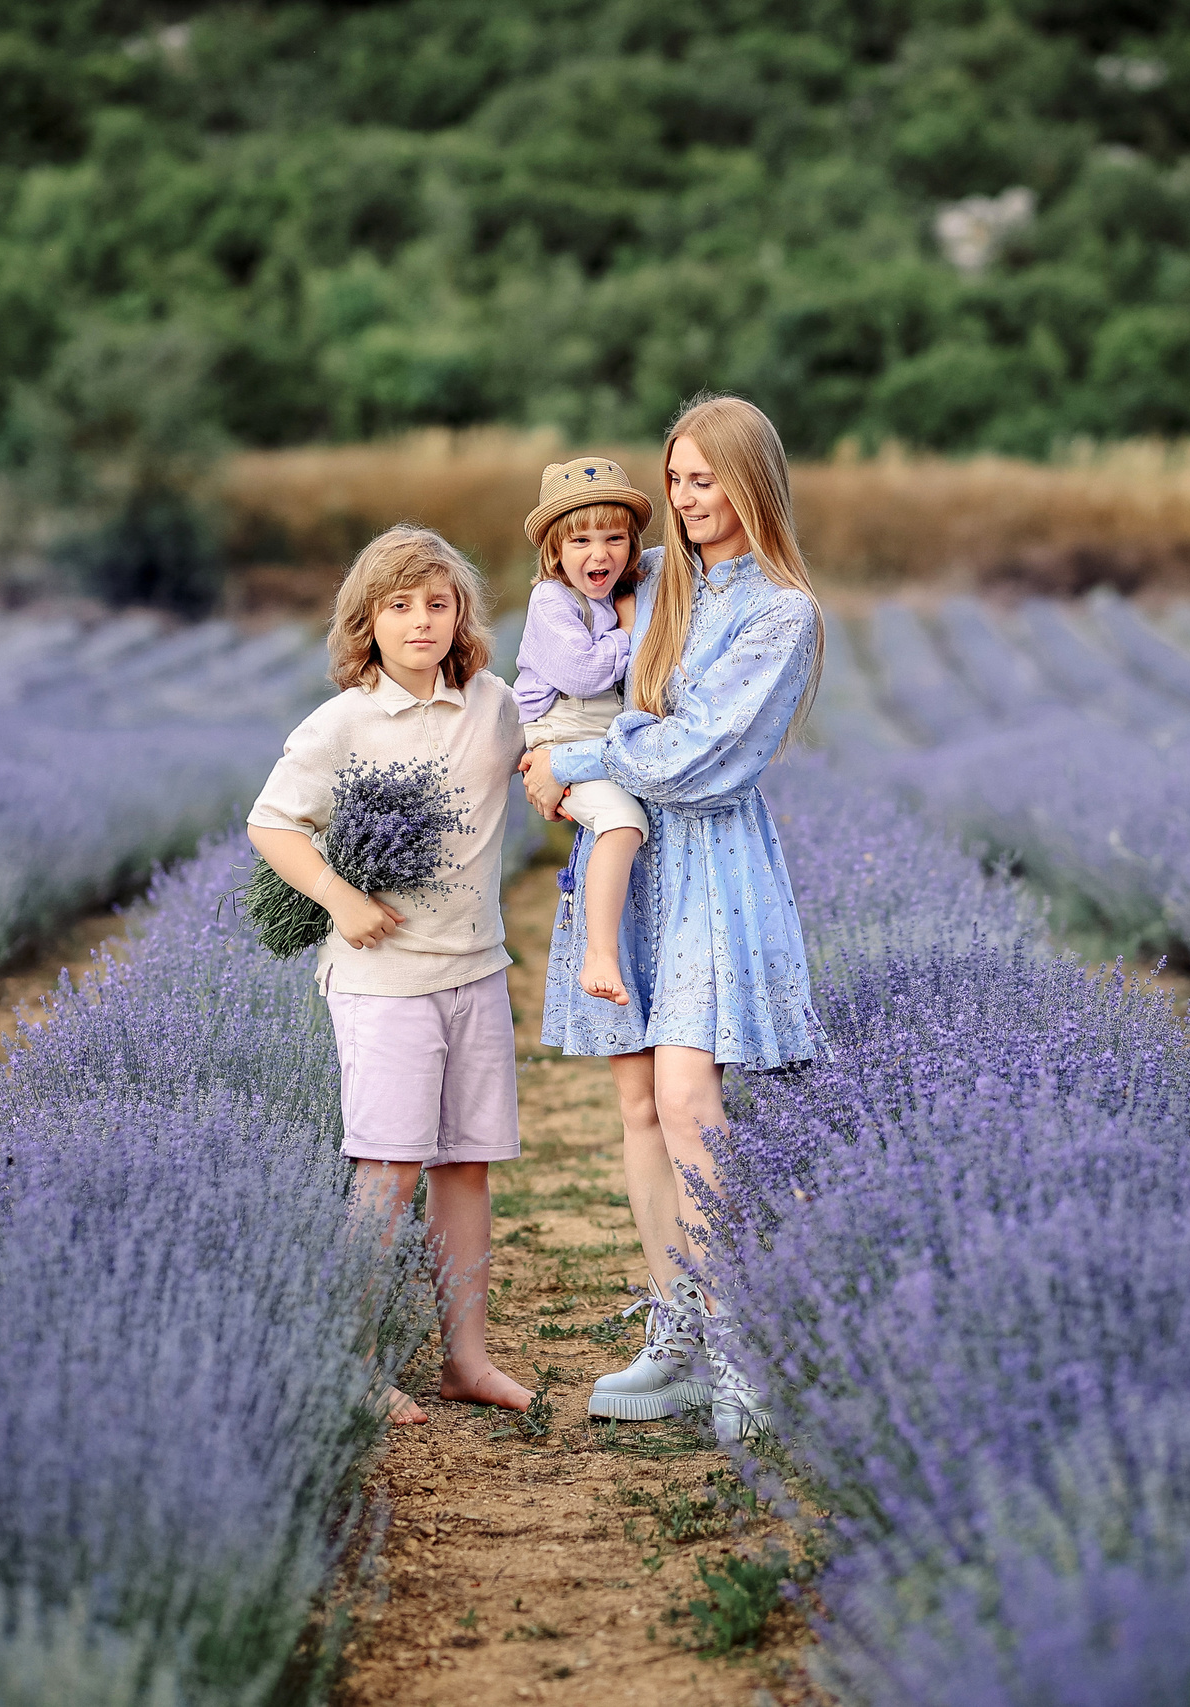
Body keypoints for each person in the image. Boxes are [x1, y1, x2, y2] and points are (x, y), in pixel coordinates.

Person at [520, 394, 824, 1442]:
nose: (690, 500)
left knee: (692, 1095)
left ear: (751, 484)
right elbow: (560, 634)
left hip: (714, 861)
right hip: (631, 858)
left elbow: (705, 755)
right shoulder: (653, 584)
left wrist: (576, 761)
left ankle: (745, 1346)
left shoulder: (782, 612)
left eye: (707, 479)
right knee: (640, 1106)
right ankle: (678, 1338)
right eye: (680, 480)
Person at [248, 524, 534, 1424]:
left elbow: (554, 748)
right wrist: (339, 897)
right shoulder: (343, 721)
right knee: (389, 1171)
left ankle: (467, 1359)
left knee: (466, 1169)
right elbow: (272, 824)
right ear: (365, 622)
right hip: (384, 982)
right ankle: (350, 1361)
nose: (421, 620)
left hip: (476, 971)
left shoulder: (493, 703)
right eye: (399, 605)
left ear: (462, 617)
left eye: (438, 604)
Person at [510, 455, 655, 1006]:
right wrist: (625, 631)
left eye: (615, 537)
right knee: (621, 823)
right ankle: (600, 953)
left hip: (602, 734)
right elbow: (584, 671)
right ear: (554, 552)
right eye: (581, 542)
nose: (600, 554)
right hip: (564, 733)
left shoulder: (615, 594)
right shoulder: (552, 600)